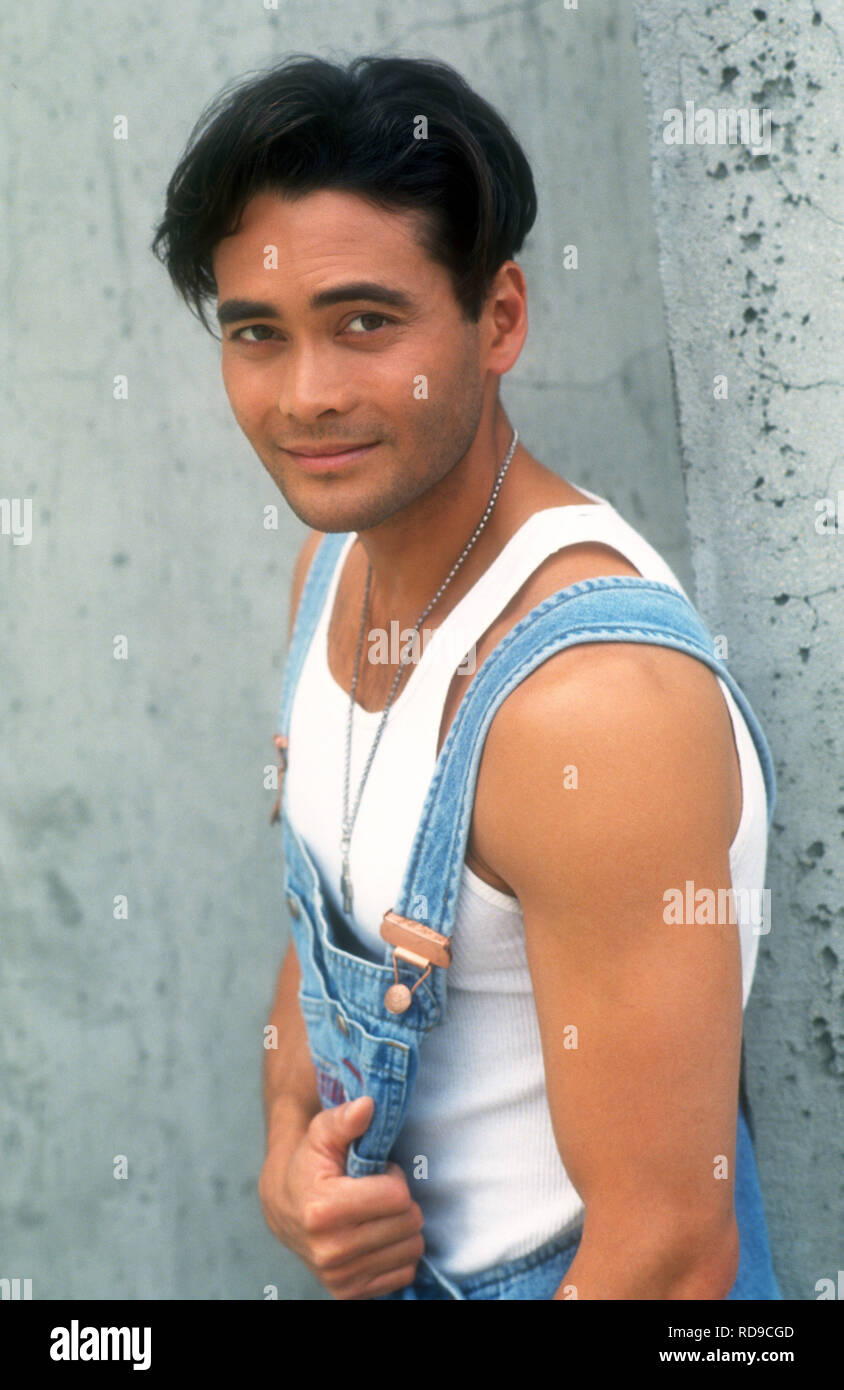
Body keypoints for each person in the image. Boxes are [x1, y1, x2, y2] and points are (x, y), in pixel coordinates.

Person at [151, 53, 782, 1301]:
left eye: (365, 323)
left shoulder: (592, 704)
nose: (309, 395)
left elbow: (668, 1253)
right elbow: (326, 917)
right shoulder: (331, 574)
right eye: (257, 336)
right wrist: (292, 1164)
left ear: (499, 318)